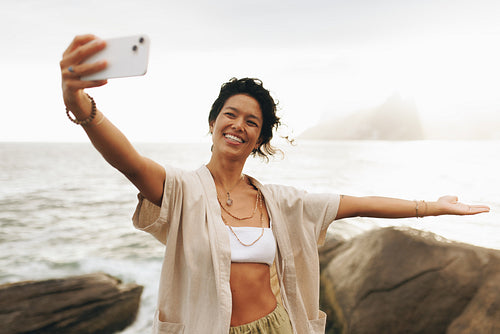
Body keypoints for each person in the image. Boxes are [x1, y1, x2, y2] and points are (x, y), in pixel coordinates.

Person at [60, 35, 490, 334]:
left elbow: (357, 204)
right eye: (230, 114)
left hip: (276, 326)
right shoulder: (182, 189)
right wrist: (81, 105)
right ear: (213, 122)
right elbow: (128, 162)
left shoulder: (280, 202)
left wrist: (433, 207)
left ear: (260, 139)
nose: (238, 125)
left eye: (252, 121)